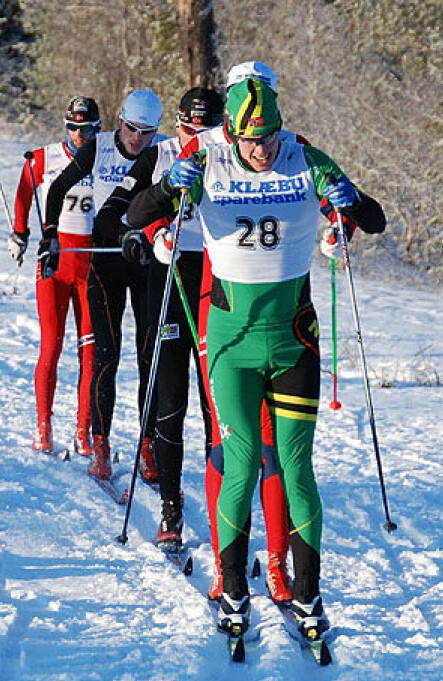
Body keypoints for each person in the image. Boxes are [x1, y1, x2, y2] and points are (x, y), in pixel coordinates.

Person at [128, 77, 385, 641]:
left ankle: (310, 595)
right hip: (231, 342)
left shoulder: (304, 155)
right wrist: (171, 186)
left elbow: (374, 220)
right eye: (251, 140)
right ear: (232, 133)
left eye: (268, 136)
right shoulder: (207, 153)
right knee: (241, 460)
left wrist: (351, 205)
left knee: (295, 464)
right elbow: (135, 214)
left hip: (294, 337)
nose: (262, 150)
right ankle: (234, 591)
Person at [94, 87, 224, 545]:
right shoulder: (161, 153)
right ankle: (170, 506)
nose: (195, 136)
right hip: (169, 278)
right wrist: (147, 234)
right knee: (169, 399)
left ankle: (221, 507)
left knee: (218, 407)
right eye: (188, 126)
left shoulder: (233, 158)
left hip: (218, 280)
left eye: (205, 129)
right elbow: (120, 213)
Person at [44, 89, 165, 480]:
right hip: (105, 264)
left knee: (151, 359)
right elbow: (58, 188)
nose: (136, 139)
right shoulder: (98, 148)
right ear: (119, 120)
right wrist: (49, 235)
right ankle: (101, 443)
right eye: (131, 129)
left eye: (146, 132)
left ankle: (149, 446)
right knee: (106, 357)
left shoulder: (164, 151)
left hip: (146, 262)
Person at [10, 97, 100, 456]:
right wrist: (20, 233)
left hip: (92, 264)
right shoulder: (44, 158)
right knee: (51, 346)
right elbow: (22, 194)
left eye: (87, 129)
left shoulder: (103, 158)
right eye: (73, 128)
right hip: (55, 262)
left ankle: (84, 430)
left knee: (91, 353)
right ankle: (43, 427)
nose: (80, 135)